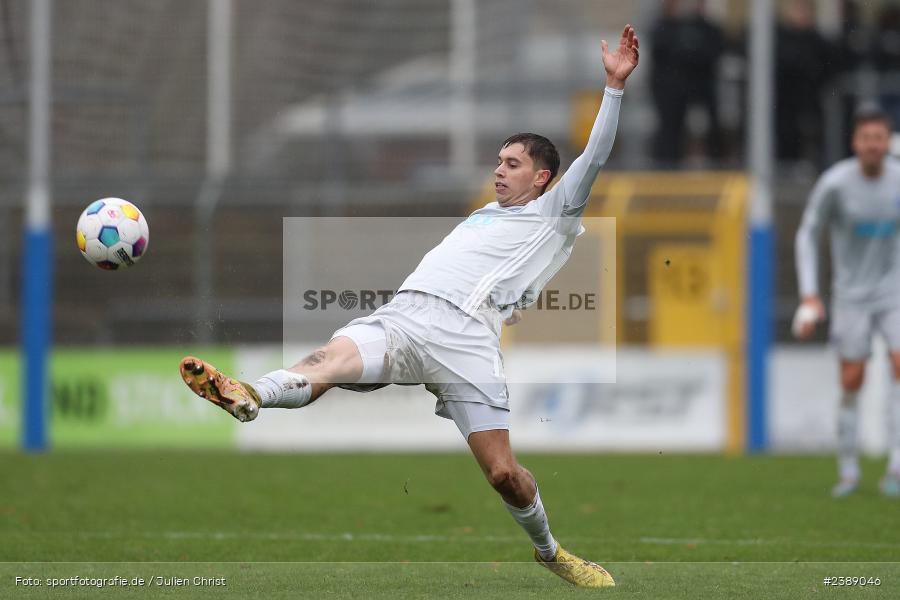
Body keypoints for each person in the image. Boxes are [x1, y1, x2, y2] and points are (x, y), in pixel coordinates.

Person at [179, 25, 639, 587]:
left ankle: (551, 553)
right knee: (328, 362)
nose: (498, 168)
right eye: (498, 159)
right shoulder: (484, 216)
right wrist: (513, 298)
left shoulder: (554, 211)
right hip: (403, 317)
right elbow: (504, 273)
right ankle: (249, 394)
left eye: (513, 163)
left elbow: (594, 156)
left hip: (466, 342)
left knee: (503, 475)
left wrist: (613, 87)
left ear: (542, 177)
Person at [794, 105, 900, 498]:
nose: (873, 145)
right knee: (852, 380)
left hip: (894, 293)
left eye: (880, 138)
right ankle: (849, 471)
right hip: (851, 297)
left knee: (899, 366)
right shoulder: (835, 184)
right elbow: (807, 234)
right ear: (855, 142)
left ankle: (896, 466)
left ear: (887, 142)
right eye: (866, 138)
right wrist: (809, 293)